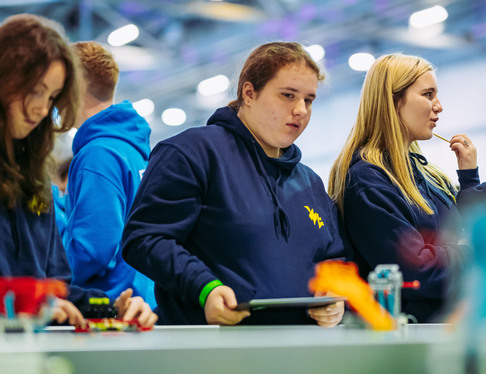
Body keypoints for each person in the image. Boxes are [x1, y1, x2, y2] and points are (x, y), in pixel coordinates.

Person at [121, 42, 349, 327]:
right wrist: (206, 288)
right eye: (288, 95)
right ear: (249, 93)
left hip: (299, 350)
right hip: (212, 349)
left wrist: (336, 293)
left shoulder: (310, 183)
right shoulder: (191, 153)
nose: (301, 110)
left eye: (309, 100)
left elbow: (334, 256)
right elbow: (145, 239)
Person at [0, 13, 157, 328]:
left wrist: (111, 306)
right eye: (35, 90)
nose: (42, 109)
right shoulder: (113, 152)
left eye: (52, 97)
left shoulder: (36, 180)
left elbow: (57, 284)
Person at [328, 53, 486, 323]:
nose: (438, 106)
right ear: (393, 102)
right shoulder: (368, 180)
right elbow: (417, 271)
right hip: (410, 337)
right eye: (428, 94)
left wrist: (470, 179)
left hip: (453, 328)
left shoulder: (427, 175)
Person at [63, 41, 156, 308]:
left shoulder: (98, 154)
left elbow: (93, 249)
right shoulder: (132, 150)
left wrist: (50, 282)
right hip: (141, 298)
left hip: (109, 305)